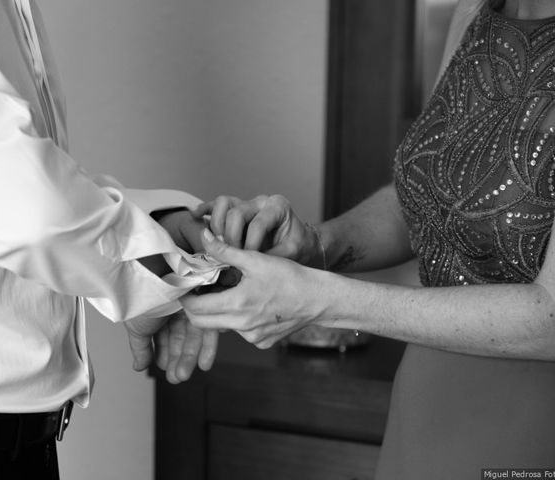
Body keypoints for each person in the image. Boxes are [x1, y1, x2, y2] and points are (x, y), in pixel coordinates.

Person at [180, 0, 555, 477]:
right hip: (424, 413)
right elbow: (432, 200)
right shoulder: (472, 16)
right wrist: (315, 244)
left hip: (530, 431)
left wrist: (321, 299)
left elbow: (551, 317)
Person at [0, 0, 219, 478]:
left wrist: (163, 231)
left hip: (9, 446)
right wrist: (163, 272)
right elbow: (32, 213)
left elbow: (23, 178)